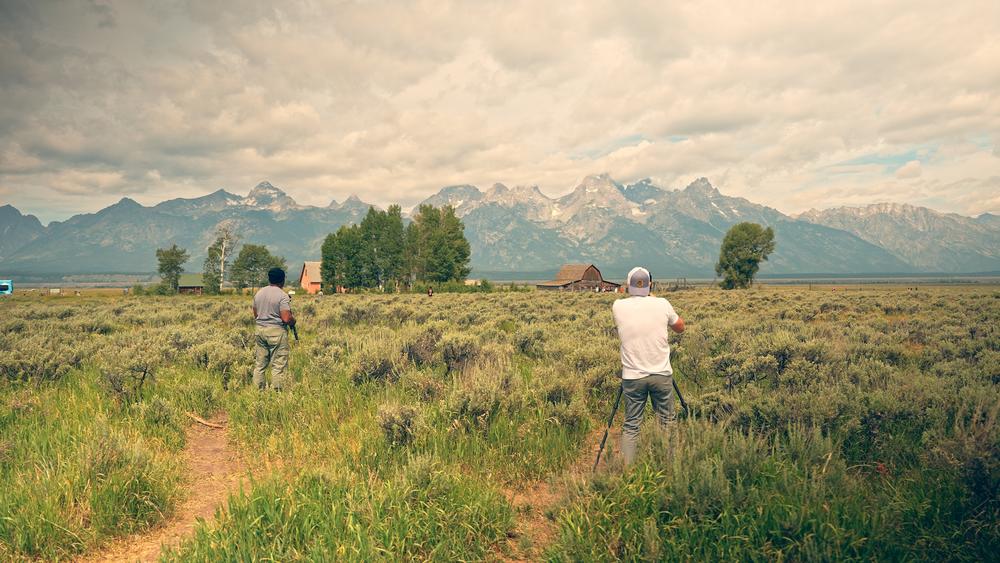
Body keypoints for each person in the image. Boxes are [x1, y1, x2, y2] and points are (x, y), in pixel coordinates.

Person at [611, 266, 685, 466]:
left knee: (632, 425)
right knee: (667, 422)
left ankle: (628, 470)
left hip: (633, 376)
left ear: (628, 286)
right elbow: (680, 327)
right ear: (651, 285)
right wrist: (652, 294)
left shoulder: (618, 306)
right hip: (661, 373)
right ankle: (670, 467)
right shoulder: (662, 304)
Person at [252, 267, 296, 391]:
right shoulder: (282, 295)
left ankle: (258, 392)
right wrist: (294, 321)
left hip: (260, 330)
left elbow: (256, 314)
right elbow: (286, 318)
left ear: (269, 279)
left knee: (260, 365)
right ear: (282, 280)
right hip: (276, 332)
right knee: (278, 366)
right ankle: (278, 393)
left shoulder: (259, 293)